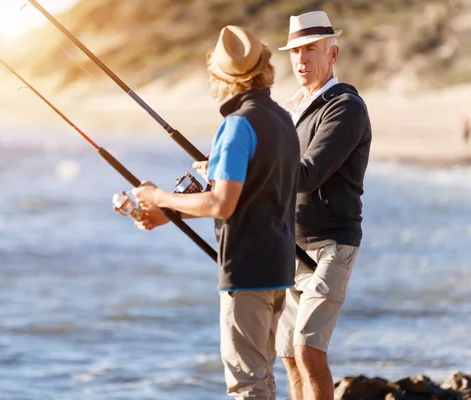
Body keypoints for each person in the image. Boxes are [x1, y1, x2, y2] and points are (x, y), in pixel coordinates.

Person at [127, 25, 301, 400]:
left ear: (220, 78)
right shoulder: (283, 120)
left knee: (247, 386)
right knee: (263, 380)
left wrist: (160, 197)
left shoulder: (237, 126)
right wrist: (168, 214)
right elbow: (256, 195)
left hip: (247, 269)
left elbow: (223, 203)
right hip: (278, 267)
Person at [274, 11, 372, 400]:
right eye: (295, 51)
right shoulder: (290, 108)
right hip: (288, 248)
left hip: (331, 246)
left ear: (333, 53)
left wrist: (250, 174)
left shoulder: (345, 107)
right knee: (289, 357)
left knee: (308, 350)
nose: (301, 59)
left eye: (311, 49)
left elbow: (308, 174)